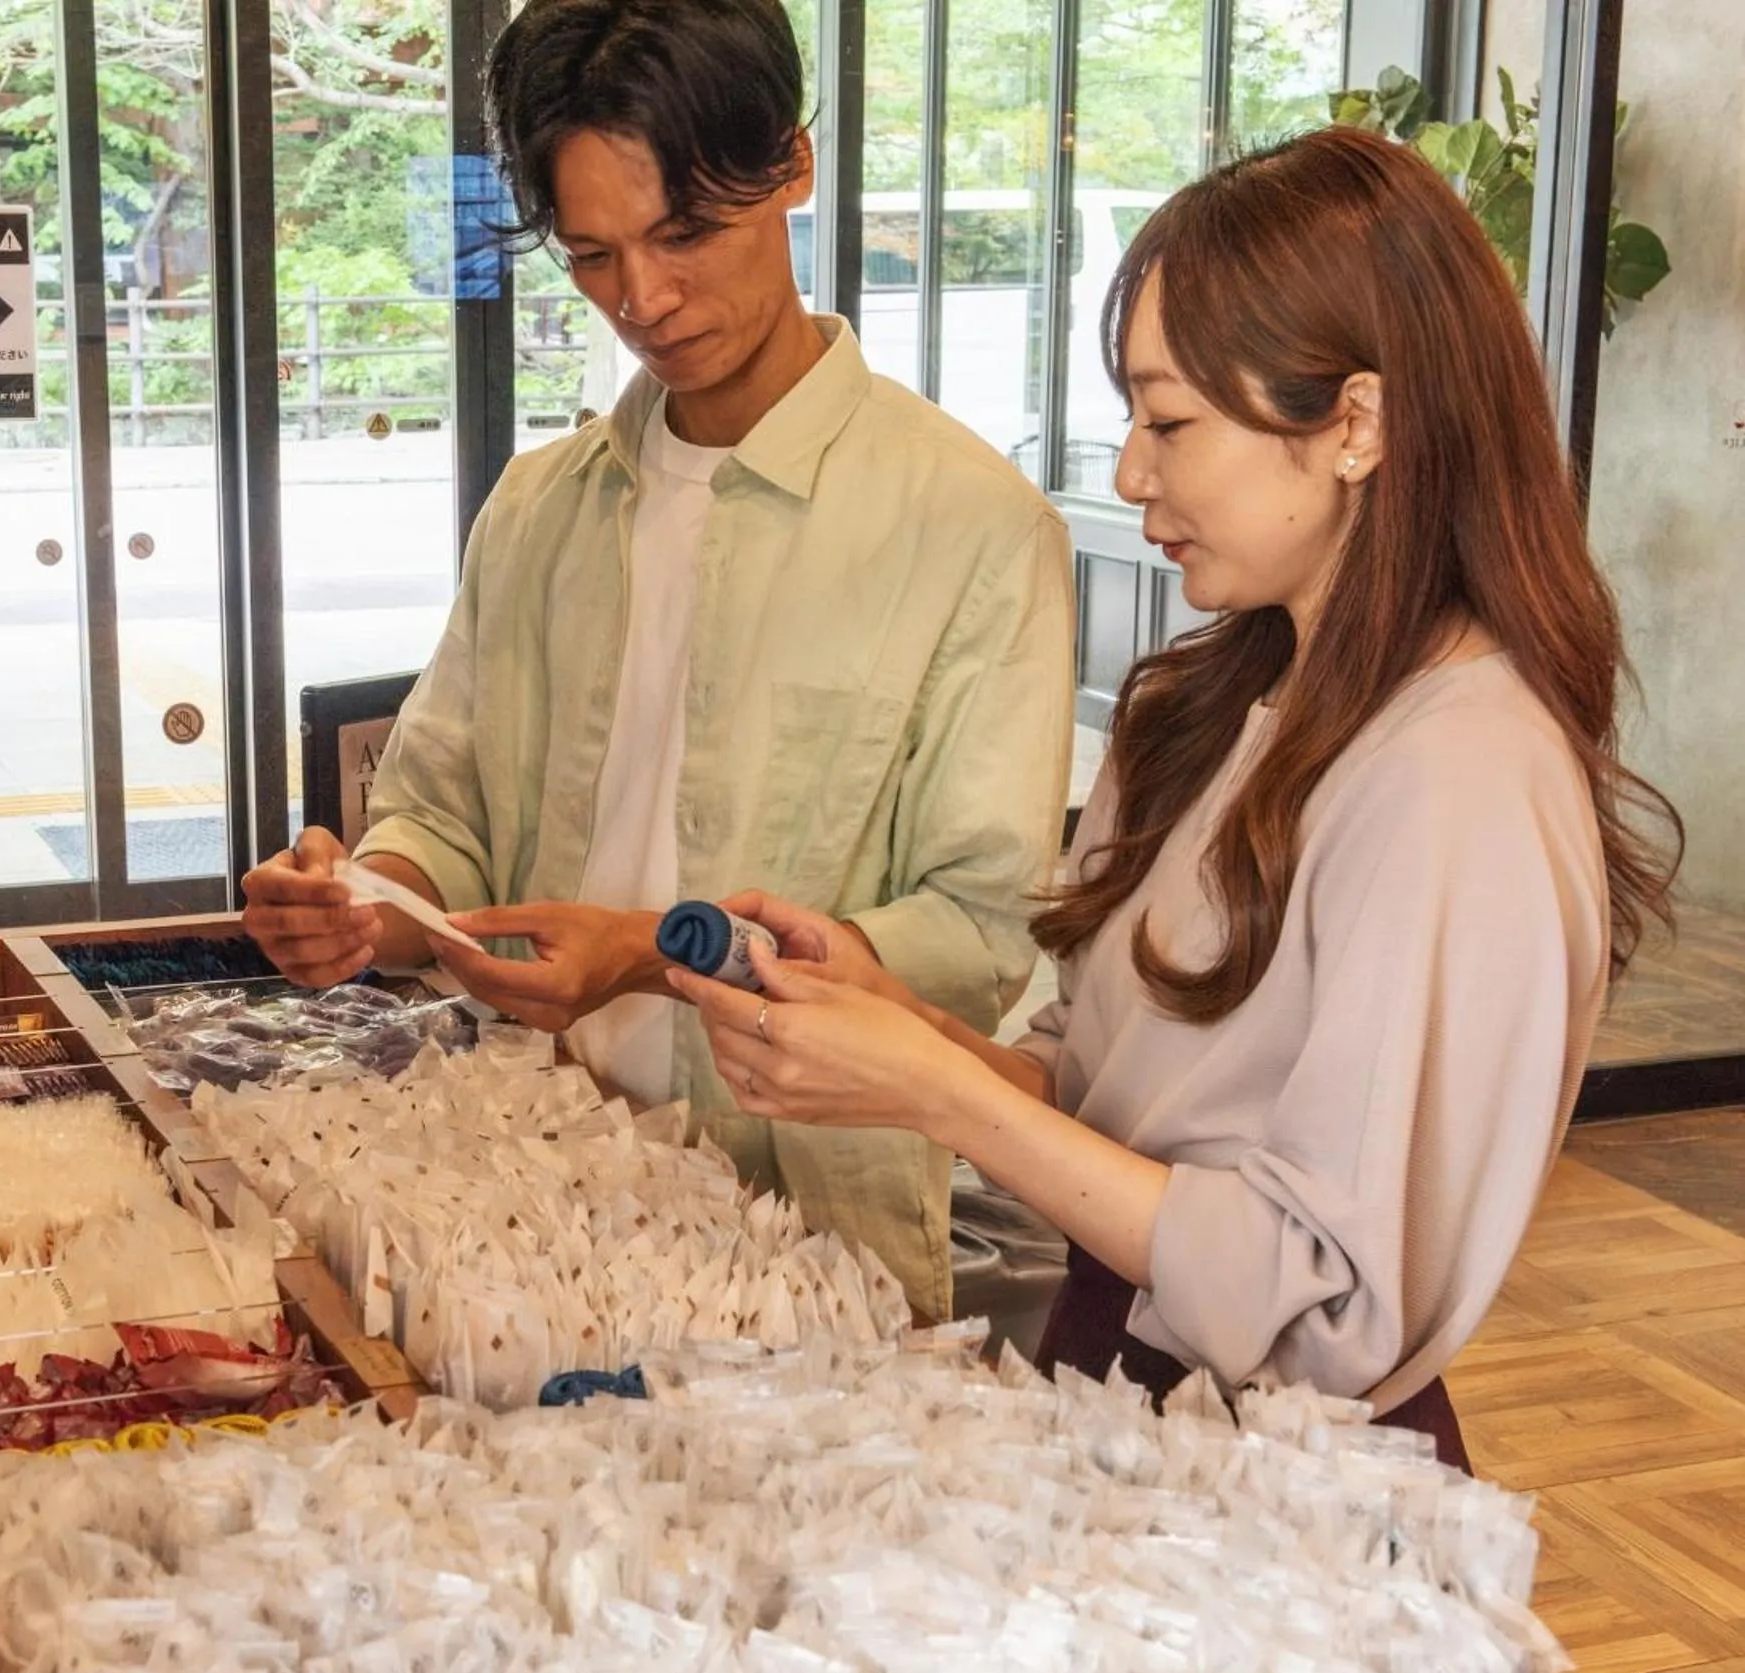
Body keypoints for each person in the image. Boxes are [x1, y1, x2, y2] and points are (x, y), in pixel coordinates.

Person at [670, 127, 1682, 1470]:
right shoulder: (1206, 710)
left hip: (1289, 1471)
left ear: (1358, 425)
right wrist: (898, 1031)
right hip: (1118, 1398)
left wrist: (947, 1098)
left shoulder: (1463, 773)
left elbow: (1335, 1309)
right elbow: (1110, 1105)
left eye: (1170, 422)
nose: (1135, 474)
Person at [240, 0, 1075, 1318]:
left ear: (791, 166)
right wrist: (371, 898)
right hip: (517, 1195)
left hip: (806, 1242)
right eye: (592, 257)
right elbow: (440, 808)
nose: (645, 298)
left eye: (687, 232)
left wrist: (642, 952)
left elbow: (979, 936)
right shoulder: (537, 507)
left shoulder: (970, 525)